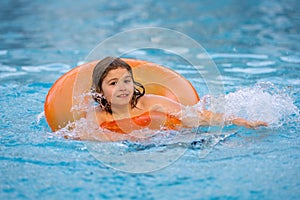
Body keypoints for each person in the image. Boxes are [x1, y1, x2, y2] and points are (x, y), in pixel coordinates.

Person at [79, 57, 267, 141]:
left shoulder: (153, 103)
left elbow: (198, 116)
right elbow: (88, 136)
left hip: (173, 137)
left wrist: (239, 121)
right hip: (136, 149)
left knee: (216, 141)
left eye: (126, 81)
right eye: (113, 83)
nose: (122, 88)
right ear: (100, 91)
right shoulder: (98, 117)